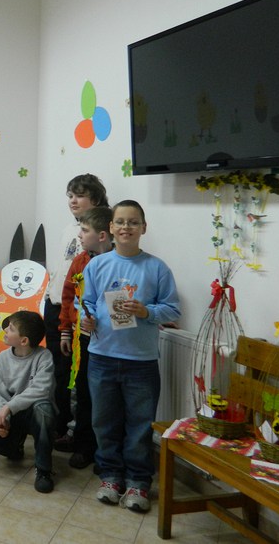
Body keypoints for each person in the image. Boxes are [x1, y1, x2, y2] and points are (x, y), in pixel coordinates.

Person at [81, 200, 180, 512]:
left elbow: (172, 309)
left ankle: (138, 482)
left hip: (141, 361)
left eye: (133, 222)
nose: (126, 227)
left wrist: (146, 311)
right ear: (110, 227)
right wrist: (85, 319)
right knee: (103, 422)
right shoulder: (96, 265)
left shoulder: (157, 268)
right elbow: (86, 303)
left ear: (143, 228)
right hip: (101, 357)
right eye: (120, 222)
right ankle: (110, 476)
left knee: (140, 425)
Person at [44, 173, 109, 451]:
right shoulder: (68, 229)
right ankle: (60, 427)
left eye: (80, 195)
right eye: (70, 195)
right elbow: (63, 272)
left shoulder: (99, 236)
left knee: (80, 380)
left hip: (81, 318)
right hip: (56, 307)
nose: (72, 200)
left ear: (95, 199)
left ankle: (79, 434)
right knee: (59, 374)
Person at [0, 311, 56, 493]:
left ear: (23, 341)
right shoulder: (1, 359)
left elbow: (41, 390)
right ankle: (14, 447)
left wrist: (9, 407)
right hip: (10, 416)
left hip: (32, 414)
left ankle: (43, 470)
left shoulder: (44, 357)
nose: (5, 331)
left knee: (44, 409)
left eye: (10, 329)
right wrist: (2, 420)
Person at [57, 206, 113, 469]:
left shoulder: (118, 261)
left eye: (84, 230)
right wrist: (65, 330)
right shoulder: (80, 260)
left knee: (106, 397)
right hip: (83, 338)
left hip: (111, 341)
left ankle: (105, 451)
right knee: (82, 393)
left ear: (102, 235)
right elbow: (68, 296)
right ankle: (83, 445)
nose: (79, 235)